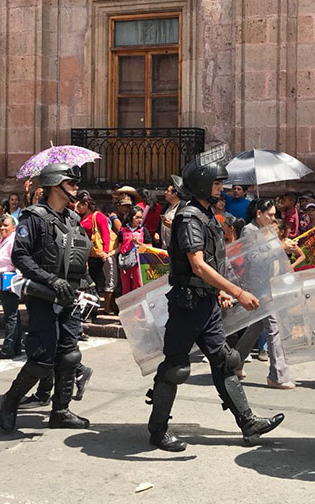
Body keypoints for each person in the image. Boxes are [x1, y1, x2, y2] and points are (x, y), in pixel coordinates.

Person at [146, 148, 284, 452]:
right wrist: (236, 291)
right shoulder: (189, 217)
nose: (221, 189)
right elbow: (197, 264)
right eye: (217, 184)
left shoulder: (205, 214)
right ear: (203, 183)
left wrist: (220, 289)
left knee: (225, 360)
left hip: (205, 302)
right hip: (187, 304)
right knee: (176, 368)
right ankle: (157, 431)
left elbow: (210, 262)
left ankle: (248, 422)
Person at [0, 163, 93, 432]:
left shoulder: (72, 219)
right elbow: (21, 255)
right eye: (71, 182)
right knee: (41, 358)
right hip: (44, 295)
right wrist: (50, 279)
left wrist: (88, 285)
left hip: (70, 295)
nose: (76, 187)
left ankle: (60, 410)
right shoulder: (34, 217)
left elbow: (77, 259)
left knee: (70, 355)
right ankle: (11, 400)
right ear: (55, 184)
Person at [233, 198, 295, 389]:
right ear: (258, 213)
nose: (272, 218)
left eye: (274, 214)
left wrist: (284, 247)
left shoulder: (267, 231)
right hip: (257, 285)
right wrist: (279, 248)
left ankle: (234, 363)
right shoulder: (249, 231)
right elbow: (253, 258)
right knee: (273, 327)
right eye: (269, 214)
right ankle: (277, 375)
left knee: (257, 327)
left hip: (268, 283)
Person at [0, 215, 23, 358]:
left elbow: (19, 260)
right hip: (1, 283)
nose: (2, 228)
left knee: (10, 316)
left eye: (6, 225)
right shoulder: (2, 241)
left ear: (14, 227)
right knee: (13, 315)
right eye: (0, 225)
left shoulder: (13, 241)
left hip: (9, 282)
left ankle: (8, 349)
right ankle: (15, 347)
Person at [76, 194, 118, 315]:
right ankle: (90, 308)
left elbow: (106, 233)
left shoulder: (98, 216)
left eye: (80, 205)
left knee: (108, 279)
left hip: (100, 254)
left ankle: (107, 306)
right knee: (91, 281)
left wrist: (105, 251)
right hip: (89, 254)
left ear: (86, 205)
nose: (78, 208)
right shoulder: (81, 217)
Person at [118, 206, 153, 295]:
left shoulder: (143, 230)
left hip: (138, 261)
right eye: (137, 217)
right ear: (131, 217)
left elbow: (150, 246)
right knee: (125, 287)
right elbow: (119, 246)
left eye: (141, 217)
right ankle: (126, 308)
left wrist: (138, 243)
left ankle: (138, 308)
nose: (139, 220)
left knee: (138, 285)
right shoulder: (123, 230)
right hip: (125, 260)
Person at [160, 184, 181, 249]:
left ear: (175, 194)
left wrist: (173, 226)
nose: (165, 192)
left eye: (168, 191)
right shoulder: (166, 208)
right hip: (164, 247)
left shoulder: (182, 208)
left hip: (175, 248)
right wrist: (157, 233)